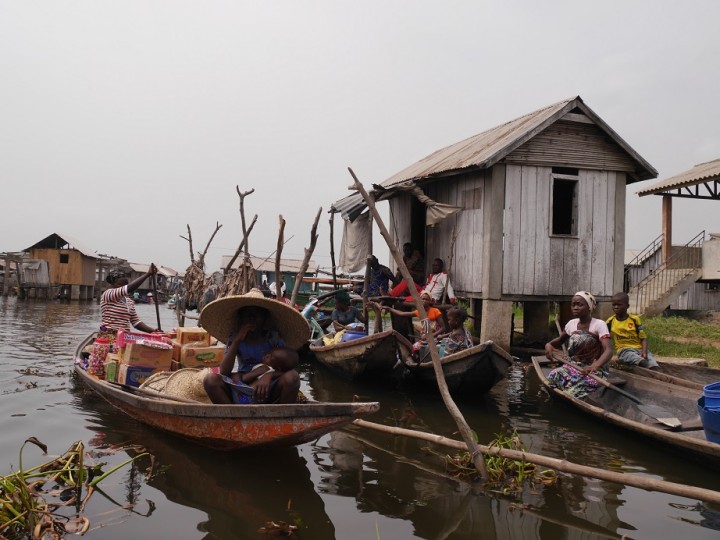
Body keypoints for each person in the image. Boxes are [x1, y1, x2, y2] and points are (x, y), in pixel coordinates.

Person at [200, 288, 310, 404]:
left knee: (292, 377)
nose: (251, 319)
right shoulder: (235, 337)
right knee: (210, 380)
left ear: (264, 318)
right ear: (241, 318)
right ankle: (233, 416)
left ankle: (281, 416)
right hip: (242, 383)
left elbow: (287, 366)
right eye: (248, 315)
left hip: (268, 386)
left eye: (256, 315)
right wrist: (237, 341)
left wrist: (269, 376)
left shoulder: (272, 337)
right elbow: (224, 371)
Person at [544, 291, 613, 398]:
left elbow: (608, 350)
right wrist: (548, 345)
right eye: (573, 305)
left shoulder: (599, 324)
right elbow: (559, 341)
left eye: (580, 305)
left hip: (593, 370)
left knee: (572, 392)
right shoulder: (571, 324)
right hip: (574, 366)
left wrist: (596, 365)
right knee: (553, 377)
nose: (575, 307)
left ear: (589, 307)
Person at [380, 292, 446, 360]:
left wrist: (432, 335)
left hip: (435, 338)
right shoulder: (419, 312)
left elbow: (443, 328)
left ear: (430, 301)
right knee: (413, 349)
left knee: (417, 347)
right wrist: (389, 309)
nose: (424, 301)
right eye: (422, 299)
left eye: (426, 299)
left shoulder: (435, 311)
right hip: (424, 338)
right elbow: (402, 313)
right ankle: (417, 360)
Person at [223, 347, 299, 404]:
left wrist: (238, 377)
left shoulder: (263, 368)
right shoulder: (277, 373)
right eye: (269, 353)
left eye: (270, 358)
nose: (266, 356)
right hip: (263, 398)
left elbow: (245, 378)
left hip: (248, 397)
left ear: (278, 367)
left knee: (236, 376)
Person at [606, 292, 660, 371]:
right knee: (641, 361)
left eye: (619, 305)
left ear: (627, 306)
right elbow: (604, 338)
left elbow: (643, 338)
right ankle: (644, 365)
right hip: (624, 350)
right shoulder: (610, 321)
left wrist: (644, 352)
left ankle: (659, 375)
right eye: (614, 305)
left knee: (654, 365)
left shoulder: (634, 319)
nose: (616, 307)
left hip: (639, 349)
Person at [100, 264, 160, 333]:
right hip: (109, 335)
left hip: (124, 336)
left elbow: (135, 322)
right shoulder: (108, 294)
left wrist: (153, 331)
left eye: (125, 285)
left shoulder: (129, 301)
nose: (122, 287)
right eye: (120, 285)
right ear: (113, 284)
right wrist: (147, 274)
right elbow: (129, 288)